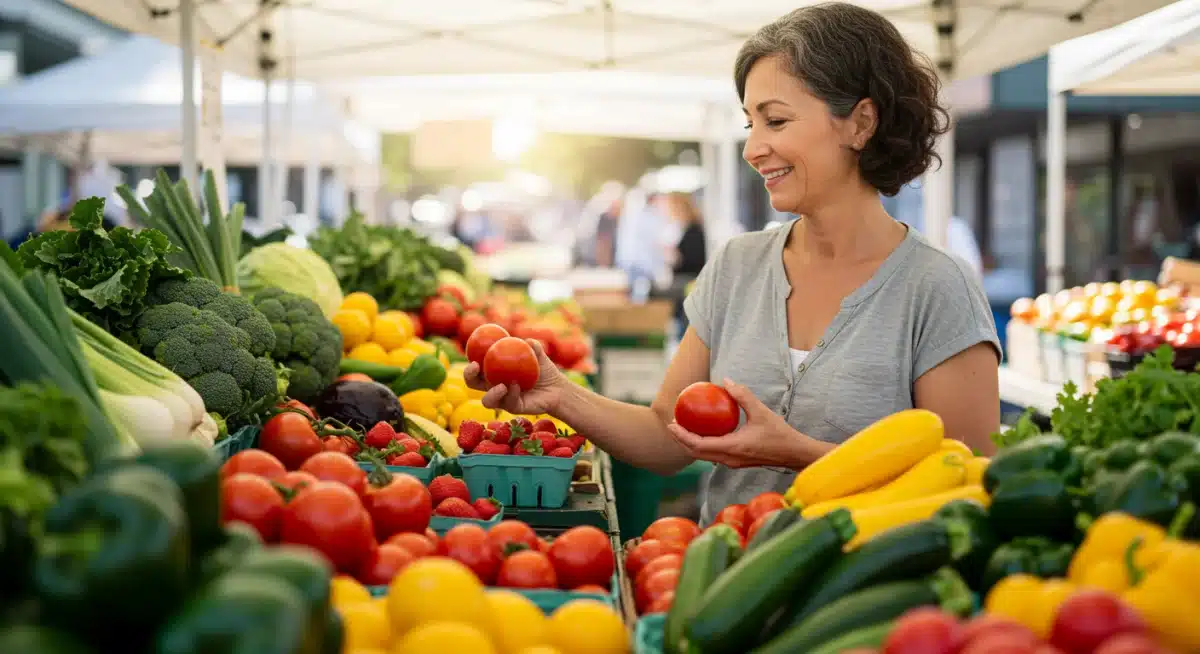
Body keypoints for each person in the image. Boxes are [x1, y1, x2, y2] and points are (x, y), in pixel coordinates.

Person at [464, 2, 1002, 525]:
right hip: (723, 585)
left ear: (860, 124)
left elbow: (965, 485)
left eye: (776, 120)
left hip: (868, 601)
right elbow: (667, 436)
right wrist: (562, 396)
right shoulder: (737, 266)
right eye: (750, 123)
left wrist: (799, 454)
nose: (753, 147)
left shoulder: (937, 287)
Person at [662, 192, 707, 277]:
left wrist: (674, 255)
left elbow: (693, 260)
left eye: (670, 207)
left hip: (689, 280)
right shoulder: (683, 229)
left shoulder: (694, 231)